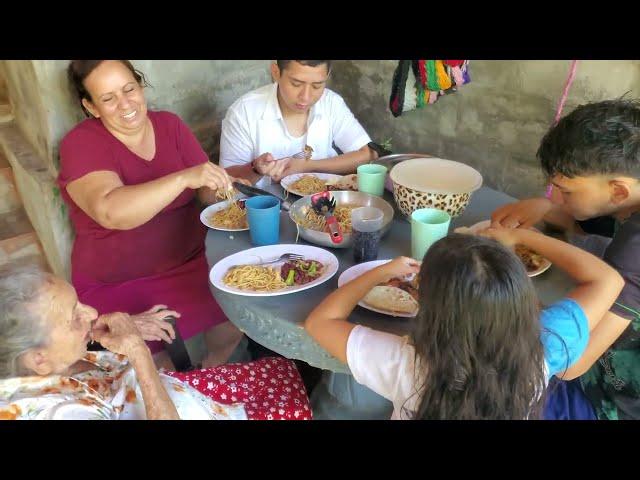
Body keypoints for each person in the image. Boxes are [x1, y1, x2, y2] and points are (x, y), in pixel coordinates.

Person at [304, 229, 623, 419]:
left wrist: (378, 272)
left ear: (430, 309)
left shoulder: (405, 364)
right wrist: (524, 236)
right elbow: (607, 280)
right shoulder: (545, 347)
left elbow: (320, 322)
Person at [58, 60, 247, 370]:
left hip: (191, 263)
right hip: (118, 281)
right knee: (153, 366)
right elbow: (111, 211)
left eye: (129, 89)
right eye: (108, 98)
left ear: (140, 86)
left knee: (237, 319)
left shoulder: (169, 125)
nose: (125, 103)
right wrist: (183, 177)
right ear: (91, 107)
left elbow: (204, 189)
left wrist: (229, 191)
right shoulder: (82, 143)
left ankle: (208, 377)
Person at [0, 266, 312, 420]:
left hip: (180, 393)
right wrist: (137, 350)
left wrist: (114, 328)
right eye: (74, 317)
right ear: (38, 360)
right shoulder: (60, 414)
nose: (92, 313)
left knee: (281, 370)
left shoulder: (48, 363)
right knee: (292, 400)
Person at [491, 98, 640, 419]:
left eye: (565, 191)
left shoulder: (635, 247)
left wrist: (523, 238)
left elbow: (573, 363)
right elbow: (593, 226)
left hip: (613, 398)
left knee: (490, 394)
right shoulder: (627, 197)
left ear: (618, 190)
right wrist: (548, 209)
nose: (555, 195)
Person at [220, 60, 378, 187]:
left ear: (327, 76)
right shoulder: (244, 112)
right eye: (296, 84)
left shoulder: (331, 102)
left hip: (325, 204)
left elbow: (368, 155)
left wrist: (308, 166)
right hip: (266, 210)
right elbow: (221, 182)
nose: (306, 97)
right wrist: (255, 168)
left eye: (317, 85)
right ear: (276, 72)